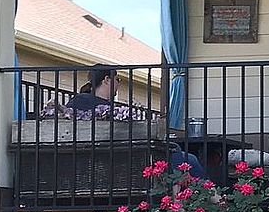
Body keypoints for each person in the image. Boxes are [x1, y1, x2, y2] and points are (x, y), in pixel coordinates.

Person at [67, 65, 206, 179]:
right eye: (117, 79)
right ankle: (209, 198)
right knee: (187, 158)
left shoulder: (77, 103)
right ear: (107, 80)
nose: (118, 84)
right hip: (120, 164)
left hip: (92, 162)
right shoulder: (107, 109)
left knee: (181, 157)